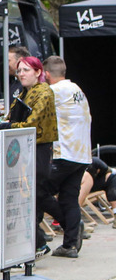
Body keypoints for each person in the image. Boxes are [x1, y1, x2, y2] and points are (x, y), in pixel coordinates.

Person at [0, 56, 57, 257]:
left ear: (38, 72)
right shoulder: (25, 92)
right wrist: (1, 121)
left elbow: (31, 123)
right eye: (19, 70)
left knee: (33, 196)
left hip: (38, 149)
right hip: (24, 148)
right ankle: (37, 242)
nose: (21, 74)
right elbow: (12, 116)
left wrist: (8, 125)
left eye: (26, 70)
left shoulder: (44, 91)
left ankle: (62, 229)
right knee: (27, 197)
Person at [40, 56, 92, 258]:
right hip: (81, 154)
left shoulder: (54, 91)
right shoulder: (77, 89)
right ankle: (70, 245)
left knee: (39, 192)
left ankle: (70, 226)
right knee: (69, 198)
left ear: (45, 74)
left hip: (64, 153)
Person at [81, 158, 116, 228]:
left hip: (90, 183)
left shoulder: (94, 162)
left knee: (112, 178)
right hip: (76, 186)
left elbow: (108, 170)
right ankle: (75, 223)